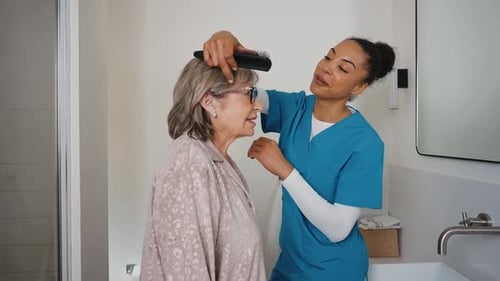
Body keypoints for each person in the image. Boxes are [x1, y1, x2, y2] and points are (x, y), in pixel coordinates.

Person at [202, 30, 395, 281]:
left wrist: (285, 170)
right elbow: (241, 91)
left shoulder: (366, 143)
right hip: (290, 265)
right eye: (328, 57)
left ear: (359, 86)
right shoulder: (297, 107)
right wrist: (227, 41)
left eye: (343, 69)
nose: (326, 68)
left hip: (335, 271)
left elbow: (338, 229)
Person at [140, 57, 267, 281]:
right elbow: (186, 273)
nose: (258, 105)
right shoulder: (188, 161)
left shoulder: (220, 163)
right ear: (209, 102)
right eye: (249, 94)